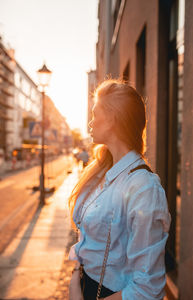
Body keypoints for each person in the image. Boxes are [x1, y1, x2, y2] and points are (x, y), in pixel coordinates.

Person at [68, 79, 171, 300]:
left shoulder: (143, 187)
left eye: (95, 115)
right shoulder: (100, 172)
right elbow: (86, 237)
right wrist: (76, 275)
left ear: (113, 119)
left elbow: (147, 289)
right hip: (84, 287)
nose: (90, 123)